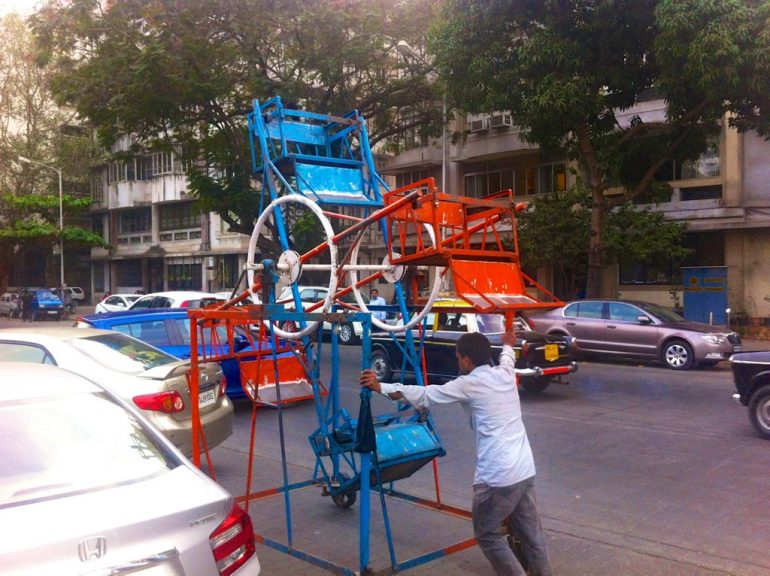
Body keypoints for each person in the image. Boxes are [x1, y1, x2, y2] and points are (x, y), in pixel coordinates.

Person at [360, 331, 552, 576]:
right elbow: (507, 358)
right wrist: (507, 344)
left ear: (467, 360)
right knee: (532, 536)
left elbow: (425, 395)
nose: (457, 362)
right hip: (524, 471)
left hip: (497, 478)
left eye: (459, 358)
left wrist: (380, 386)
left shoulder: (468, 383)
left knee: (487, 534)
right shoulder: (504, 374)